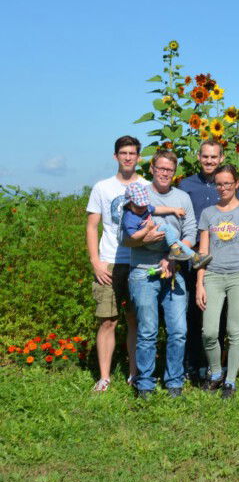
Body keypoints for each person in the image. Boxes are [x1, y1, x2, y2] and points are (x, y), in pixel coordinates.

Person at [124, 150, 196, 399]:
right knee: (147, 330)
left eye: (170, 169)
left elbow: (191, 233)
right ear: (152, 168)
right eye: (161, 168)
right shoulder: (139, 193)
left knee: (178, 330)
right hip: (144, 272)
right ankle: (145, 384)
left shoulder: (183, 198)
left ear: (174, 173)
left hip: (173, 270)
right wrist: (146, 237)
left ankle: (174, 380)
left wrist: (171, 258)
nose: (165, 173)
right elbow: (126, 237)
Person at [86, 135, 147, 392]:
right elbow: (92, 226)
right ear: (116, 156)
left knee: (134, 319)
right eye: (123, 153)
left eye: (132, 153)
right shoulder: (102, 187)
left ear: (138, 157)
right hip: (109, 262)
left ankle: (133, 374)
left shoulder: (147, 186)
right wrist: (96, 262)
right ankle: (105, 377)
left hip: (138, 262)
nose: (128, 157)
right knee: (107, 320)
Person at [196, 165, 239, 399]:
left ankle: (230, 381)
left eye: (227, 183)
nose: (223, 188)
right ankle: (215, 373)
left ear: (236, 184)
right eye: (219, 184)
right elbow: (202, 252)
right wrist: (199, 284)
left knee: (235, 330)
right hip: (213, 276)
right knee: (209, 331)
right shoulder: (208, 213)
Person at [178, 139, 236, 381]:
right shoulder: (186, 185)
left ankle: (215, 367)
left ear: (221, 158)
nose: (210, 161)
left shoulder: (228, 184)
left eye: (214, 157)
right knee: (192, 314)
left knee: (218, 318)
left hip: (222, 262)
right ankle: (192, 366)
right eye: (205, 157)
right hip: (193, 260)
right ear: (198, 157)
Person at [121, 182, 211, 268]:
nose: (142, 208)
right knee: (166, 228)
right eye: (138, 206)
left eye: (144, 205)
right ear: (129, 204)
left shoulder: (145, 207)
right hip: (151, 241)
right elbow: (133, 236)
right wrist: (147, 229)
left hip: (157, 234)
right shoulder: (129, 218)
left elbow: (157, 209)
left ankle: (194, 257)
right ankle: (175, 251)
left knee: (176, 242)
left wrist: (174, 210)